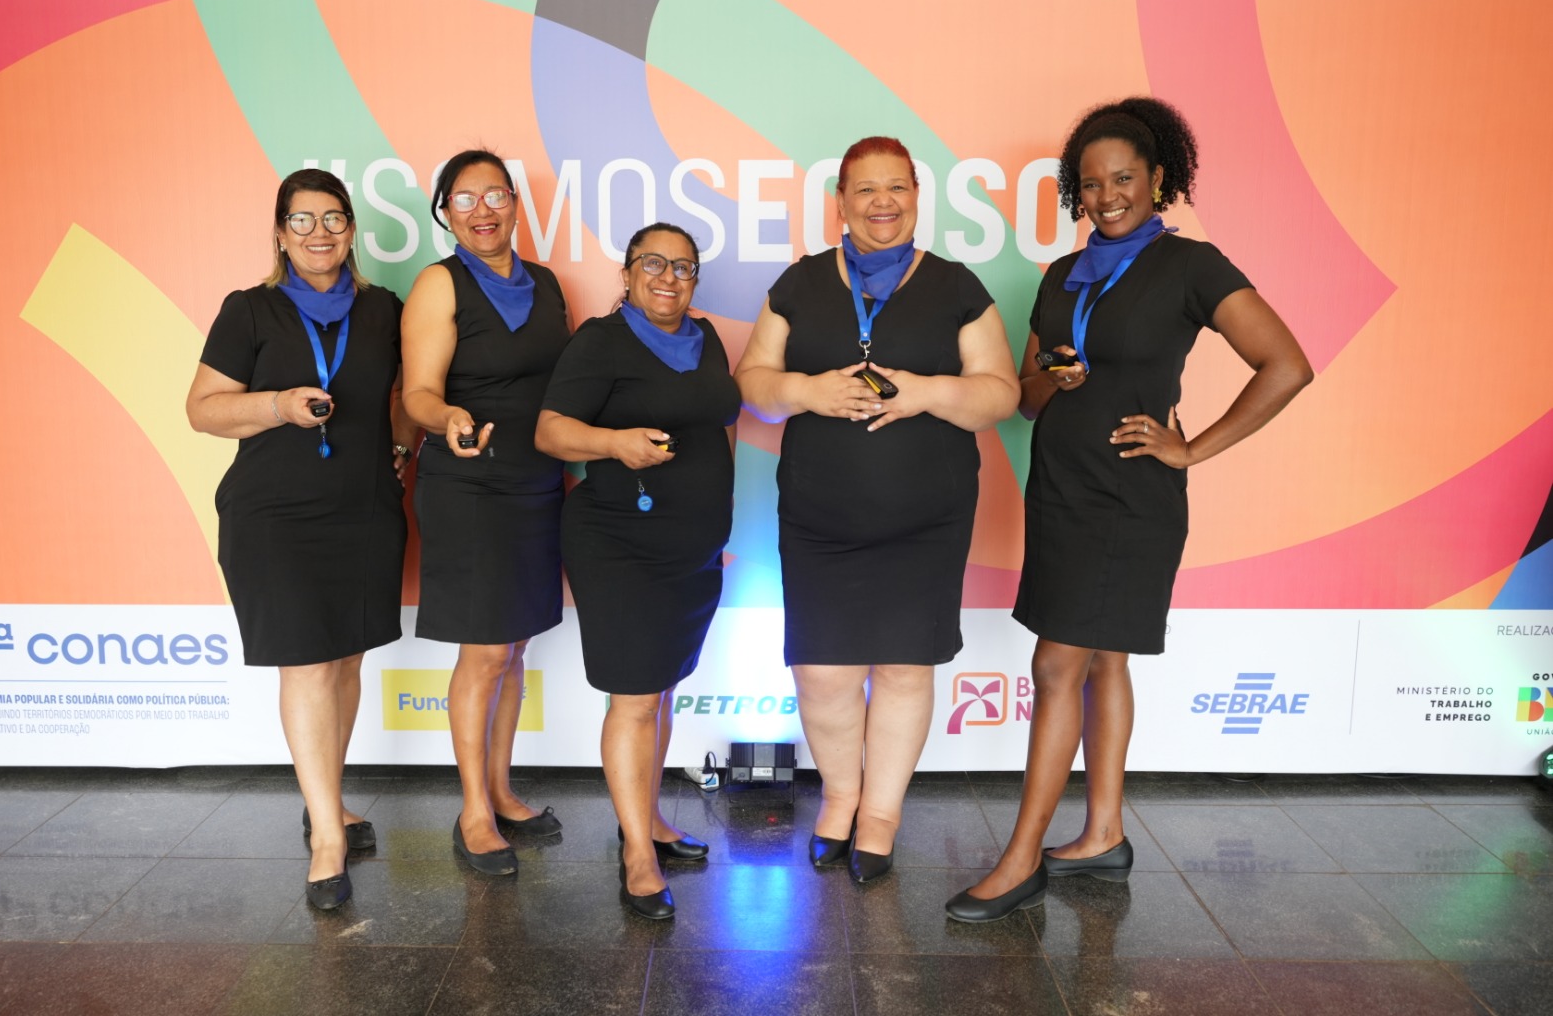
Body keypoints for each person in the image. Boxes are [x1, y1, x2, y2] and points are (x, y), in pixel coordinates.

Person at [946, 97, 1313, 922]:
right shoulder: (1060, 276)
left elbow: (1286, 363)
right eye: (1091, 183)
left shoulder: (1191, 265)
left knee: (1057, 667)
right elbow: (1027, 398)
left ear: (1157, 179)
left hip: (1128, 499)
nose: (1107, 195)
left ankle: (1020, 860)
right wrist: (1055, 378)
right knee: (1103, 662)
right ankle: (1103, 834)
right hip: (1060, 490)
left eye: (1123, 178)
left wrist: (1192, 447)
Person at [735, 137, 1021, 884]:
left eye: (896, 187)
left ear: (917, 198)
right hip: (819, 519)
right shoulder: (801, 282)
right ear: (841, 202)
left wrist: (927, 392)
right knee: (823, 673)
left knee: (902, 669)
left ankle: (882, 816)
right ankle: (841, 799)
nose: (882, 202)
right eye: (865, 189)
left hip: (926, 522)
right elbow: (753, 379)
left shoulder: (956, 286)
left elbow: (1001, 392)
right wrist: (805, 391)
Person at [186, 169, 413, 910]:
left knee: (345, 661)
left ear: (352, 229)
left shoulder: (384, 309)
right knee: (309, 666)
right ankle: (326, 841)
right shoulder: (250, 309)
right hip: (274, 517)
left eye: (334, 218)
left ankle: (329, 802)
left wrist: (403, 446)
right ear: (280, 233)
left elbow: (403, 397)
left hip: (365, 512)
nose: (320, 233)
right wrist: (279, 405)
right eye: (303, 220)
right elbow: (202, 409)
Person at [535, 222, 740, 919]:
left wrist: (717, 515)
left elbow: (723, 422)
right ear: (626, 274)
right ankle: (637, 854)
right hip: (620, 543)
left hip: (693, 547)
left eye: (683, 267)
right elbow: (550, 431)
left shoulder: (706, 338)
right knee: (634, 699)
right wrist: (614, 443)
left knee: (662, 690)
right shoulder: (601, 341)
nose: (668, 277)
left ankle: (648, 818)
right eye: (653, 263)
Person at [401, 149, 572, 875]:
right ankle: (474, 809)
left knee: (515, 647)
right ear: (446, 213)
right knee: (486, 652)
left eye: (496, 195)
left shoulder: (547, 284)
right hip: (469, 485)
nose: (483, 210)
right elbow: (418, 393)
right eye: (465, 199)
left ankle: (500, 790)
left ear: (515, 204)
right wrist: (450, 419)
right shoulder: (438, 283)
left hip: (537, 483)